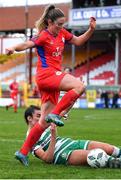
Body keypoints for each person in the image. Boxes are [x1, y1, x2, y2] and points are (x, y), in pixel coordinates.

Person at [6, 4, 96, 166]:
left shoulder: (62, 33)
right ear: (49, 22)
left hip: (52, 79)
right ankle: (55, 113)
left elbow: (78, 41)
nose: (61, 27)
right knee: (79, 86)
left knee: (43, 123)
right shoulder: (43, 36)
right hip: (46, 75)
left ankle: (23, 152)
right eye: (59, 24)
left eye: (63, 24)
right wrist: (13, 47)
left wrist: (90, 29)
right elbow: (26, 45)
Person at [24, 105, 121, 169]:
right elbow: (47, 159)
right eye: (38, 116)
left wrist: (73, 97)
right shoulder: (30, 140)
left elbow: (60, 112)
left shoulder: (42, 126)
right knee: (97, 155)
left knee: (108, 147)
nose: (42, 118)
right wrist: (54, 136)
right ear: (29, 119)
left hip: (71, 143)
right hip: (62, 154)